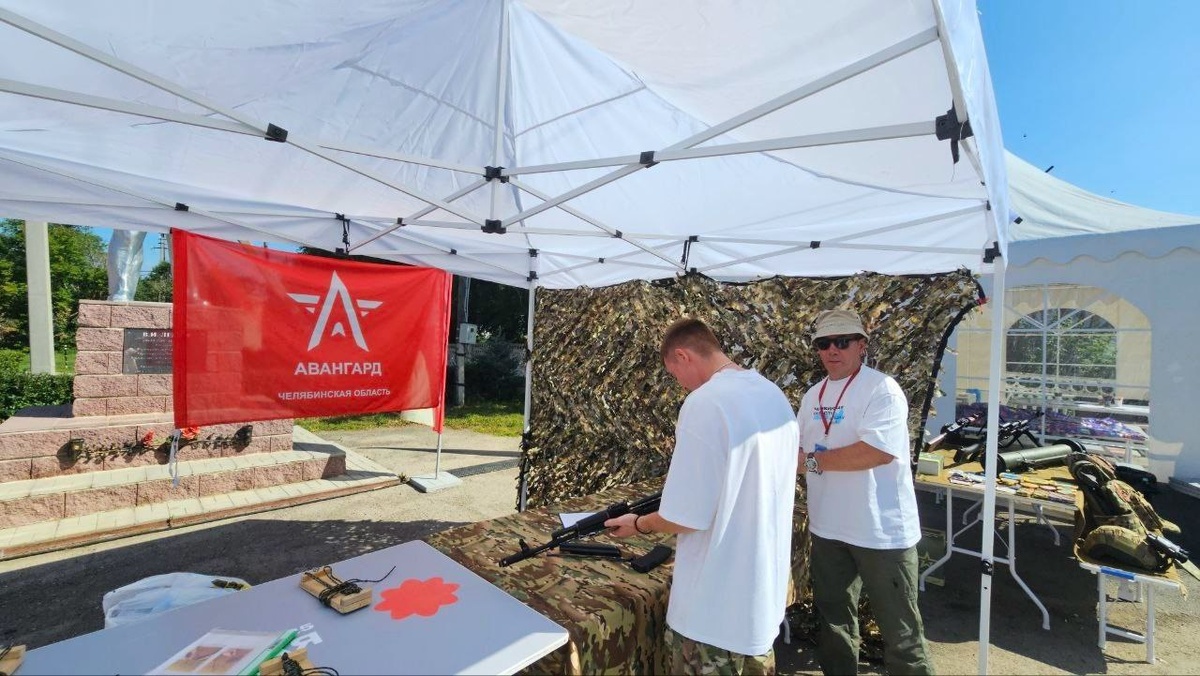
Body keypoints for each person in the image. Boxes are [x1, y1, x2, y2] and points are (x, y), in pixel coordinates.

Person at [606, 318, 799, 675]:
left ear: (683, 355)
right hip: (760, 610)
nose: (679, 384)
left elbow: (685, 516)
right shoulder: (774, 395)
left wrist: (638, 524)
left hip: (711, 619)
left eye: (674, 373)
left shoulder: (705, 403)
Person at [797, 309, 934, 675]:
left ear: (862, 345)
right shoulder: (812, 395)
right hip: (828, 528)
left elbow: (875, 452)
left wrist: (810, 462)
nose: (832, 350)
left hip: (881, 532)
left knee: (902, 634)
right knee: (833, 624)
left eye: (842, 342)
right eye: (824, 343)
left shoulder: (881, 389)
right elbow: (796, 449)